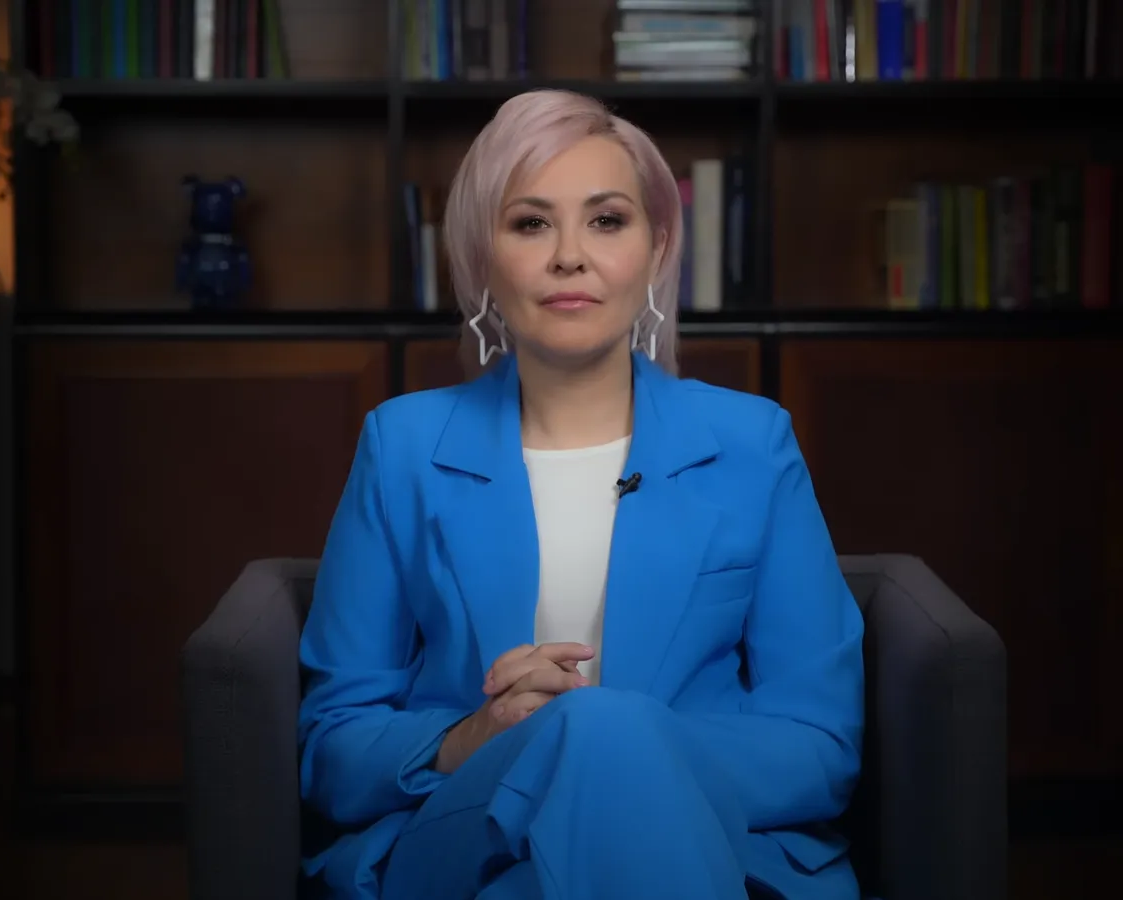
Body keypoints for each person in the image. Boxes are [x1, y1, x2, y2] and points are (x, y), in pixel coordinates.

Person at [297, 89, 865, 900]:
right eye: (531, 223)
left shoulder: (753, 444)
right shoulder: (403, 447)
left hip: (711, 841)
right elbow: (334, 748)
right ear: (482, 255)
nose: (570, 256)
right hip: (470, 839)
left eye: (606, 220)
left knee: (593, 757)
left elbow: (819, 744)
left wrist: (606, 745)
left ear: (657, 247)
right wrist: (476, 735)